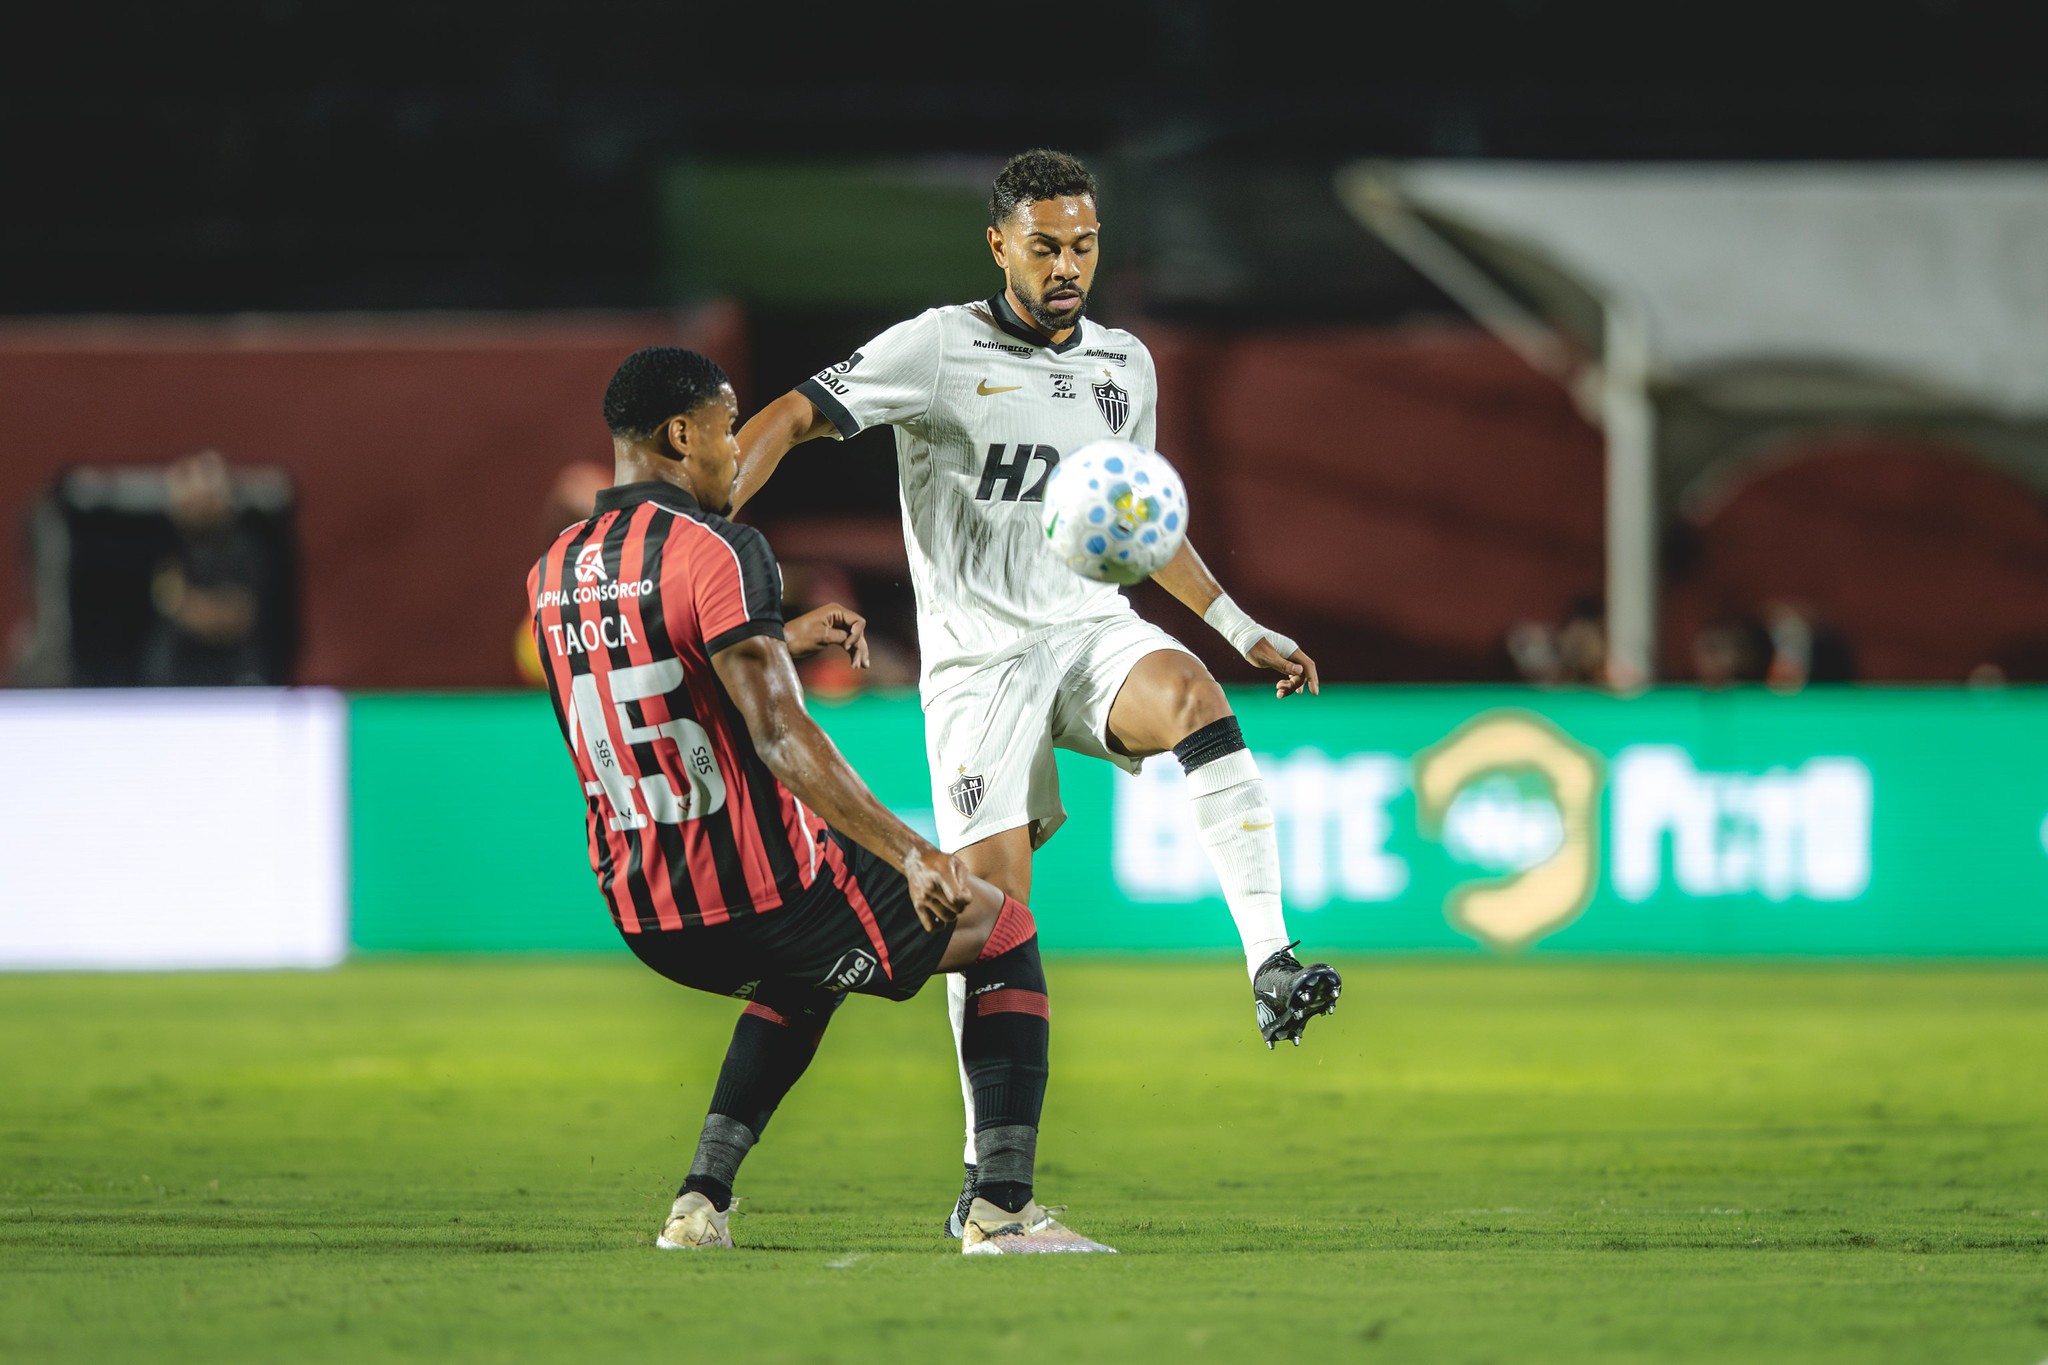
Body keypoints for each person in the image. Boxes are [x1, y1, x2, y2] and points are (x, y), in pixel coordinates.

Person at [731, 148, 1340, 1235]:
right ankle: (988, 1192)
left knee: (1196, 698)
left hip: (1087, 628)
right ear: (999, 244)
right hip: (977, 666)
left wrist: (1241, 628)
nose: (1068, 265)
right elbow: (792, 411)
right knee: (993, 918)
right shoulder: (935, 349)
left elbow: (1139, 526)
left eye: (1085, 244)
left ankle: (1268, 960)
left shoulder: (1123, 365)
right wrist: (715, 511)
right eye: (1047, 245)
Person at [529, 346, 1110, 1255]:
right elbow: (779, 736)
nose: (735, 453)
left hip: (643, 909)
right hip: (760, 890)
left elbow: (662, 685)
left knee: (816, 969)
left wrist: (776, 637)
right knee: (1000, 933)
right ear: (680, 435)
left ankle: (700, 1199)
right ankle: (1000, 1209)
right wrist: (912, 851)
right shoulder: (718, 547)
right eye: (727, 431)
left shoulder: (554, 571)